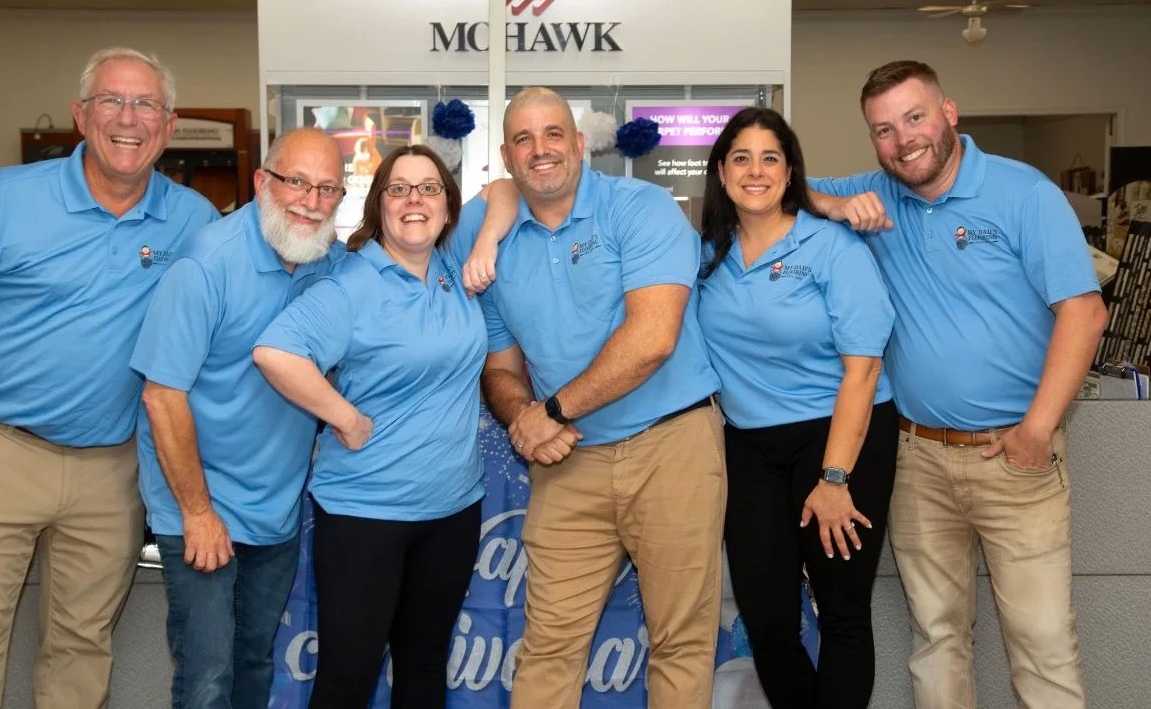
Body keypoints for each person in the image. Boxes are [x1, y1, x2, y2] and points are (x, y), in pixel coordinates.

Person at [0, 47, 218, 709]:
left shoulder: (195, 221)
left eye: (147, 104)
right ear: (81, 115)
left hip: (111, 468)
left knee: (81, 653)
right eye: (112, 100)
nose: (128, 118)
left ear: (169, 125)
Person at [808, 60, 1108, 709]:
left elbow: (1085, 313)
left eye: (914, 118)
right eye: (883, 130)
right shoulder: (877, 195)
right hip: (918, 459)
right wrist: (833, 203)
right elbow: (776, 187)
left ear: (948, 113)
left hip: (1016, 459)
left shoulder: (1023, 193)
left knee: (1043, 647)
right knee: (937, 639)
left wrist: (1037, 429)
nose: (903, 140)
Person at [468, 86, 726, 709]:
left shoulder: (640, 207)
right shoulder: (495, 244)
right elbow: (501, 367)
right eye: (524, 139)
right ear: (506, 156)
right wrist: (522, 416)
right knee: (549, 645)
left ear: (580, 144)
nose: (541, 149)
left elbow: (653, 338)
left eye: (553, 133)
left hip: (671, 447)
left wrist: (551, 412)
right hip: (570, 462)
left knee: (681, 642)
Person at [251, 144, 518, 708]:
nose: (414, 200)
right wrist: (344, 417)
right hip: (365, 516)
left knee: (424, 665)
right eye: (399, 189)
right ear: (379, 205)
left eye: (429, 188)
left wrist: (486, 242)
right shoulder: (353, 283)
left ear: (447, 205)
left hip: (452, 511)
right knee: (348, 677)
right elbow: (276, 352)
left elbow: (505, 190)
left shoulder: (451, 264)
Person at [129, 128, 349, 709]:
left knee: (254, 661)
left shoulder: (329, 263)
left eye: (328, 188)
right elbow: (161, 397)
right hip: (202, 504)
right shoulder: (206, 264)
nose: (311, 201)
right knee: (207, 677)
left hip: (274, 512)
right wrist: (198, 514)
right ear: (261, 182)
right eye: (296, 181)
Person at [697, 107, 897, 709]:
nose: (755, 171)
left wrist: (834, 478)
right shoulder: (707, 253)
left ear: (790, 172)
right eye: (741, 158)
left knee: (841, 612)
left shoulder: (833, 246)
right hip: (750, 444)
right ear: (721, 172)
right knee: (765, 620)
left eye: (771, 158)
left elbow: (864, 368)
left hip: (840, 436)